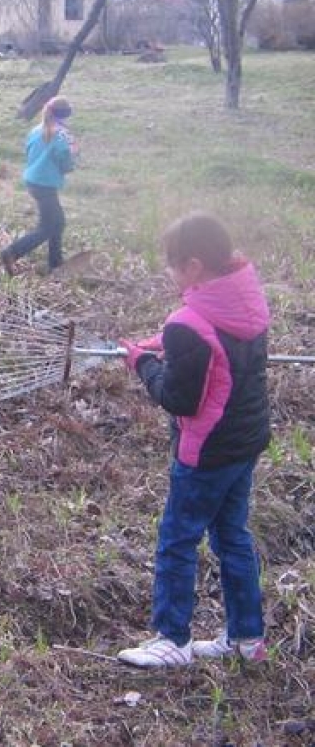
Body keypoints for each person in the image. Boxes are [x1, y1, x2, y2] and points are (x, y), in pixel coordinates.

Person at [116, 212, 270, 669]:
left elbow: (178, 398)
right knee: (231, 536)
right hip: (245, 442)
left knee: (177, 539)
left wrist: (143, 364)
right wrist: (163, 344)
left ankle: (172, 638)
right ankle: (246, 637)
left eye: (172, 263)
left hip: (205, 453)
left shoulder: (189, 321)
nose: (168, 271)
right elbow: (215, 352)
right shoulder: (247, 300)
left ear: (195, 266)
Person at [1, 95, 78, 276]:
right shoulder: (61, 135)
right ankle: (12, 252)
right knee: (49, 226)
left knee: (56, 222)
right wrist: (69, 165)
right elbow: (66, 160)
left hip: (33, 180)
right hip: (45, 185)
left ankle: (55, 263)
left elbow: (28, 150)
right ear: (65, 114)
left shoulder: (37, 129)